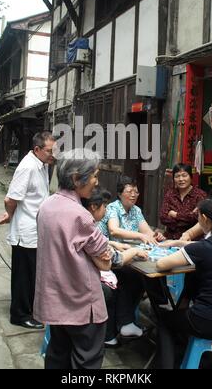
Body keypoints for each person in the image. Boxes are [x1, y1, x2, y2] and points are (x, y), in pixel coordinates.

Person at [34, 149, 111, 370]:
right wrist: (102, 257)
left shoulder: (46, 206)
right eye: (94, 175)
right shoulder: (80, 215)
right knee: (86, 359)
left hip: (55, 300)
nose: (96, 181)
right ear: (77, 178)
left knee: (58, 354)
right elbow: (104, 259)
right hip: (81, 302)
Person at [155, 198, 212, 369]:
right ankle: (189, 354)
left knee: (164, 318)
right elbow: (203, 247)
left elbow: (161, 264)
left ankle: (166, 364)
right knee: (191, 289)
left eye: (197, 216)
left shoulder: (202, 249)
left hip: (209, 322)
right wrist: (178, 243)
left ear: (204, 218)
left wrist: (179, 247)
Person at [0, 131, 56, 330]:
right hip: (26, 231)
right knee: (24, 276)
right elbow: (10, 199)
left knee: (32, 274)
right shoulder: (28, 167)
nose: (52, 154)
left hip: (36, 228)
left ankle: (30, 310)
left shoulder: (41, 165)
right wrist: (11, 215)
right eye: (49, 151)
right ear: (37, 149)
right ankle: (19, 315)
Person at [82, 187, 149, 348]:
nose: (106, 210)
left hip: (81, 272)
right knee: (116, 284)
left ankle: (125, 324)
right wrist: (133, 251)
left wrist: (112, 243)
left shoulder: (85, 222)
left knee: (129, 277)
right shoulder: (89, 227)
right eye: (104, 206)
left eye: (136, 191)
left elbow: (102, 244)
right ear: (93, 207)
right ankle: (109, 334)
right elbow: (111, 261)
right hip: (85, 278)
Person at [99, 176, 163, 340]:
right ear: (120, 194)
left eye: (136, 191)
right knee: (131, 278)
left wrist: (155, 237)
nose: (134, 194)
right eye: (129, 191)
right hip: (107, 257)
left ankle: (127, 322)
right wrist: (140, 236)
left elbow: (147, 232)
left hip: (127, 257)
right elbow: (114, 230)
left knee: (143, 278)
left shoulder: (136, 210)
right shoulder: (113, 208)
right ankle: (124, 323)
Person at [158, 164, 207, 241]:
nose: (181, 179)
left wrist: (175, 214)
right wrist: (188, 218)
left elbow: (197, 217)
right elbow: (163, 217)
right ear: (174, 179)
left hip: (192, 240)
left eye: (184, 175)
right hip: (171, 239)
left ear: (191, 177)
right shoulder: (170, 194)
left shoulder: (200, 195)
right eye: (177, 176)